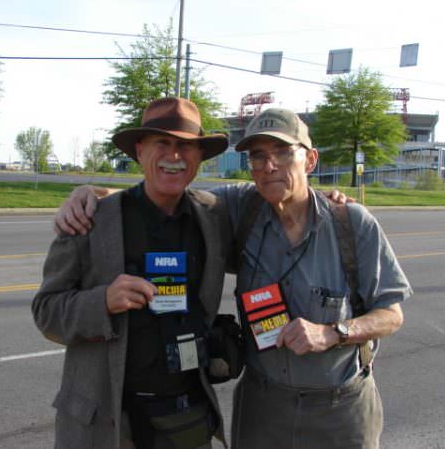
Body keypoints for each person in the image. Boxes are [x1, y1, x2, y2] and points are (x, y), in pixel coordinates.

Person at [55, 108, 412, 449]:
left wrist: (332, 333)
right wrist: (92, 194)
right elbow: (167, 188)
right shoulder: (241, 208)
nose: (269, 166)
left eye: (283, 153)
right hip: (264, 407)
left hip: (341, 409)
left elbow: (391, 314)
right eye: (257, 156)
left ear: (311, 159)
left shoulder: (352, 224)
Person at [32, 97, 234, 449]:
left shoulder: (214, 217)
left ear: (200, 157)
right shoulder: (90, 220)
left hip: (186, 419)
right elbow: (46, 312)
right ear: (140, 152)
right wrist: (103, 301)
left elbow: (278, 198)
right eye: (162, 143)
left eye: (186, 146)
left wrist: (336, 202)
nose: (174, 156)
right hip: (107, 422)